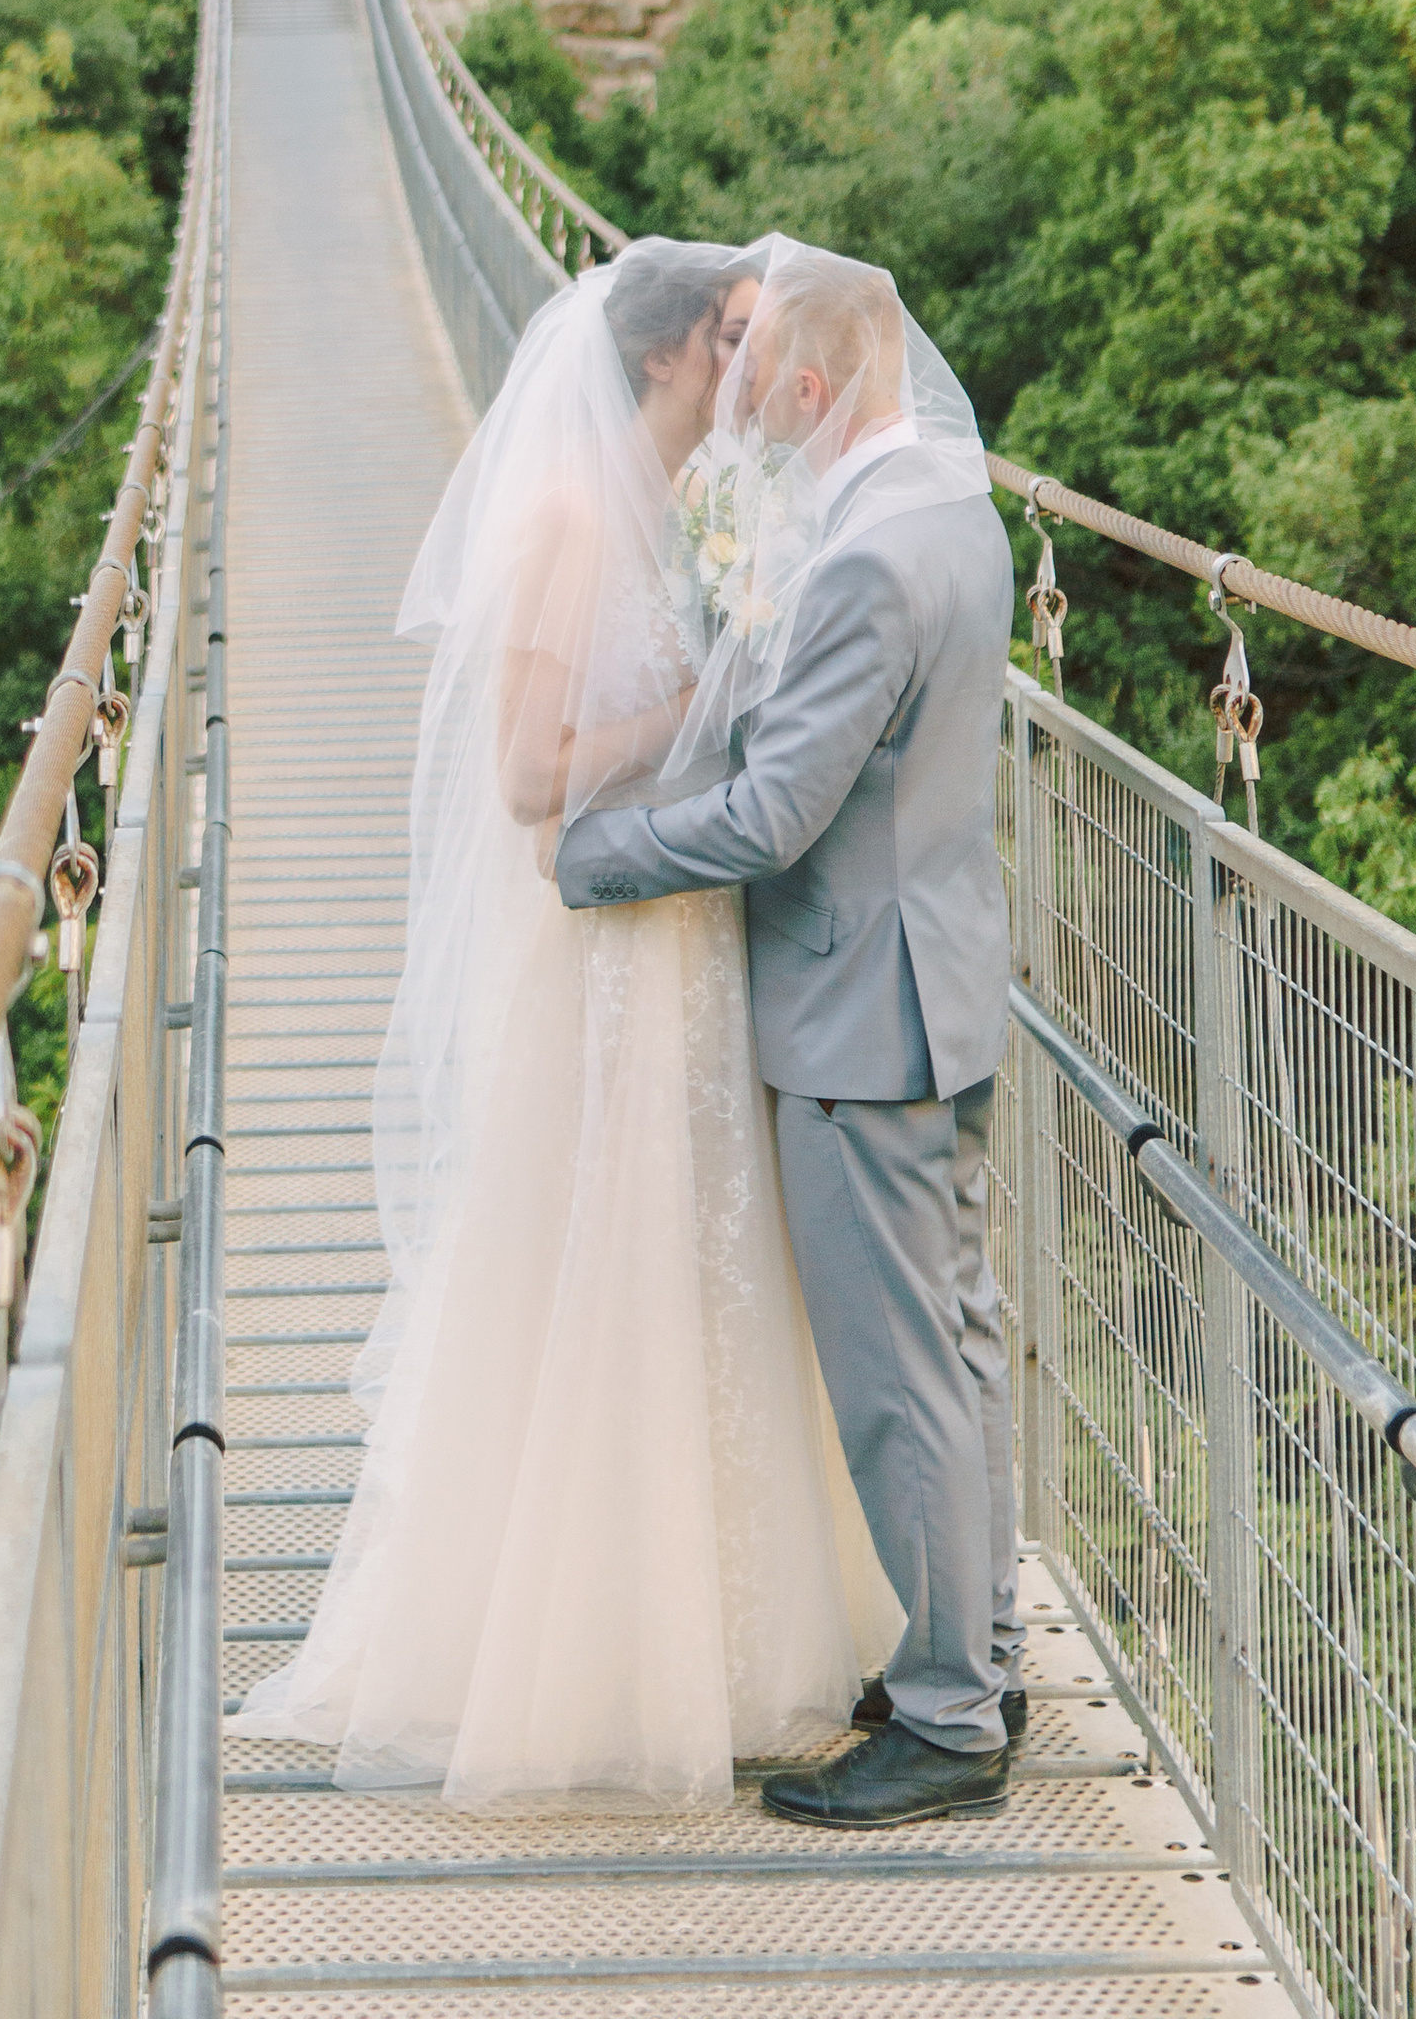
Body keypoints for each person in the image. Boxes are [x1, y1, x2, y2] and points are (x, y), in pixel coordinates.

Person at [233, 237, 901, 1804]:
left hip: (683, 940)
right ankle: (573, 1655)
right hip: (601, 955)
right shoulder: (565, 515)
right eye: (740, 335)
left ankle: (710, 1641)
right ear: (673, 353)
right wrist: (716, 702)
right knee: (584, 1269)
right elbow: (531, 777)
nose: (760, 361)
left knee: (687, 1275)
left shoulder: (692, 510)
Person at [556, 234, 1024, 1830]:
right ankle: (984, 1653)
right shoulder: (956, 510)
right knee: (960, 1347)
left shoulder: (866, 560)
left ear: (819, 384)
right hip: (943, 984)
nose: (754, 426)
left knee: (900, 1377)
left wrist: (596, 856)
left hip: (855, 1018)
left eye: (768, 395)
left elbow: (770, 818)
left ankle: (952, 1723)